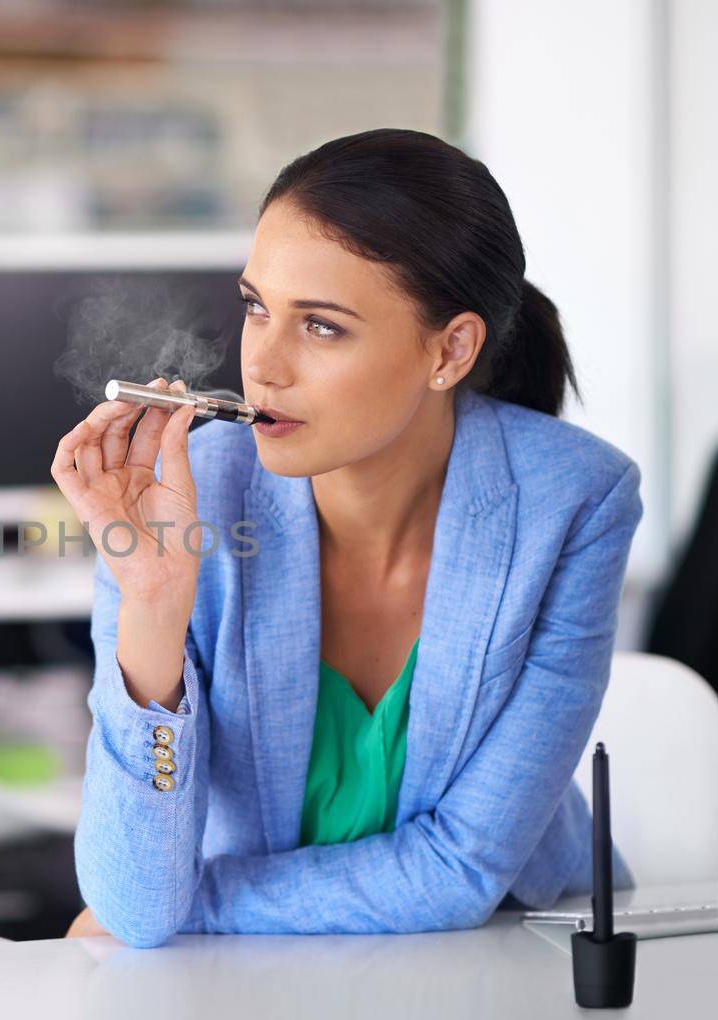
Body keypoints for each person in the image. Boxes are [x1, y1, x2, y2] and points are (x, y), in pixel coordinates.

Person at [50, 129, 644, 947]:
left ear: (451, 349)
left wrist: (203, 905)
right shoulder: (186, 499)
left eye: (322, 327)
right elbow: (137, 904)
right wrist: (151, 604)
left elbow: (462, 872)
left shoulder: (573, 502)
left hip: (506, 957)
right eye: (257, 306)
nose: (263, 365)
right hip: (250, 987)